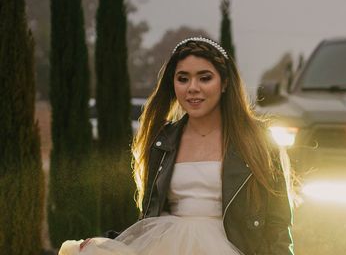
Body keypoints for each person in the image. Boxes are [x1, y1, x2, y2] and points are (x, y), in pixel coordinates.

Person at [60, 37, 294, 255]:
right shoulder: (162, 141)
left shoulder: (256, 141)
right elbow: (149, 217)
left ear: (224, 83)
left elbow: (277, 222)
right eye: (183, 78)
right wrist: (111, 244)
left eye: (204, 78)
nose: (192, 87)